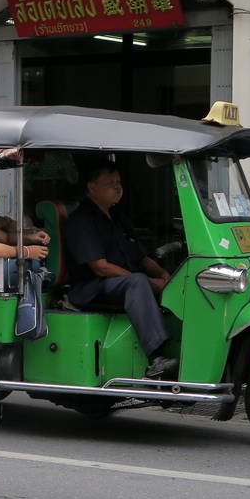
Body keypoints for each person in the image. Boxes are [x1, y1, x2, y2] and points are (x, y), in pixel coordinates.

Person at [63, 161, 177, 378]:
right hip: (93, 288)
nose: (117, 187)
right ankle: (156, 358)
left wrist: (164, 276)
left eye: (119, 182)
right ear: (91, 187)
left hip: (121, 282)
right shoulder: (81, 220)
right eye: (110, 183)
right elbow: (100, 267)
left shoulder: (118, 217)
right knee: (138, 282)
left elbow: (142, 258)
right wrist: (150, 281)